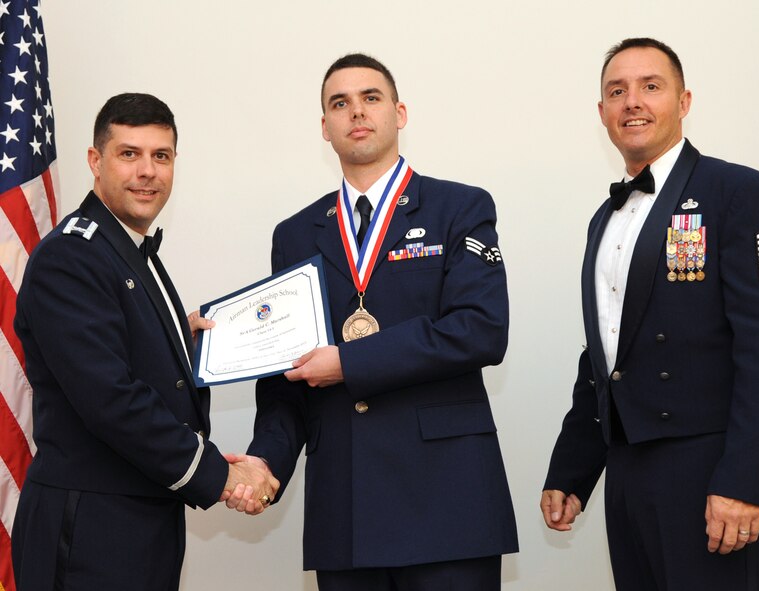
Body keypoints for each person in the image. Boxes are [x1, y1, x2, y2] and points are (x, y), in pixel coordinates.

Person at [224, 53, 518, 590]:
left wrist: (349, 362)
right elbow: (286, 370)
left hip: (447, 503)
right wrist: (265, 463)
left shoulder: (459, 207)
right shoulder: (295, 233)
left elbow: (481, 329)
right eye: (340, 103)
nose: (356, 112)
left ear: (399, 113)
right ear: (325, 127)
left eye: (371, 98)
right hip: (346, 506)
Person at [540, 38, 759, 591]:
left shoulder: (740, 192)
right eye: (617, 91)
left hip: (711, 471)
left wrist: (743, 479)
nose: (632, 102)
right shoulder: (603, 219)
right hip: (628, 472)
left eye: (650, 87)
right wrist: (573, 469)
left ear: (684, 101)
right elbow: (607, 351)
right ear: (602, 114)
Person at [11, 93, 278, 591]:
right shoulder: (72, 257)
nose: (147, 171)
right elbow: (111, 398)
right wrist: (219, 475)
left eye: (161, 156)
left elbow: (131, 358)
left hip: (135, 519)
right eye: (129, 153)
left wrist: (181, 339)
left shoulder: (130, 249)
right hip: (88, 528)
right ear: (96, 161)